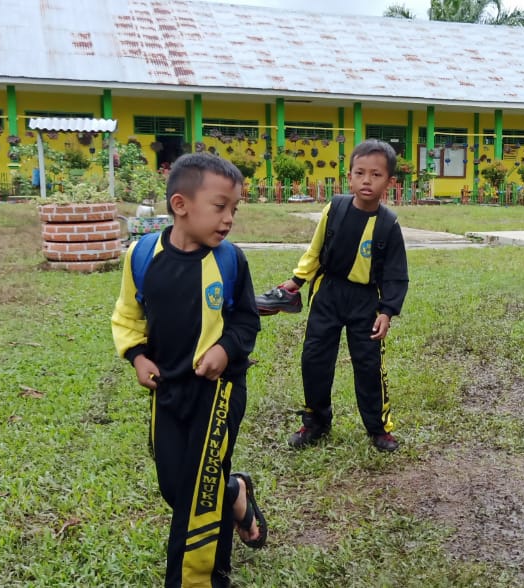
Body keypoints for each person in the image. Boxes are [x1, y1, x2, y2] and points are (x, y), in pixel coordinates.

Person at [111, 153, 267, 588]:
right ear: (181, 205)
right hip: (168, 390)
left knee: (199, 493)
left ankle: (201, 579)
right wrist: (138, 357)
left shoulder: (230, 261)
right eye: (220, 207)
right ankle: (234, 492)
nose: (229, 219)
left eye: (234, 209)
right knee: (175, 487)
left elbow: (247, 321)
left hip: (218, 391)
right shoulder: (143, 257)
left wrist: (224, 349)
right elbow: (128, 315)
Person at [267, 139, 410, 452]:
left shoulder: (388, 224)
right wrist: (296, 281)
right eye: (360, 173)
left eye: (376, 174)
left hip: (366, 302)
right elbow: (315, 251)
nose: (367, 181)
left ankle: (378, 428)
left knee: (369, 366)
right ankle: (315, 422)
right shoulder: (335, 208)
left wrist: (386, 311)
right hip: (328, 294)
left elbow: (396, 273)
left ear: (389, 181)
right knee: (314, 359)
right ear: (350, 176)